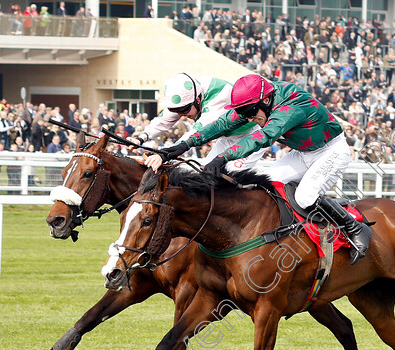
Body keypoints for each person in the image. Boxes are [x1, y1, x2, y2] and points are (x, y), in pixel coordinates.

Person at [157, 74, 372, 263]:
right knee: (264, 184)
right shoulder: (258, 101)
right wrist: (181, 147)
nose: (249, 119)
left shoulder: (291, 108)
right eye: (245, 113)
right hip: (303, 153)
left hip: (331, 152)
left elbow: (263, 137)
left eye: (251, 113)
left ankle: (354, 227)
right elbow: (222, 124)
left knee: (305, 196)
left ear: (266, 100)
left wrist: (222, 158)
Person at [133, 73, 265, 174]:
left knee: (229, 173)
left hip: (252, 136)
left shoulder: (218, 98)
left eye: (183, 110)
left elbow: (196, 133)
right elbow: (163, 120)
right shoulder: (191, 95)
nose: (181, 115)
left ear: (197, 100)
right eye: (176, 111)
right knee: (204, 175)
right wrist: (140, 138)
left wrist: (164, 155)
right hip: (228, 138)